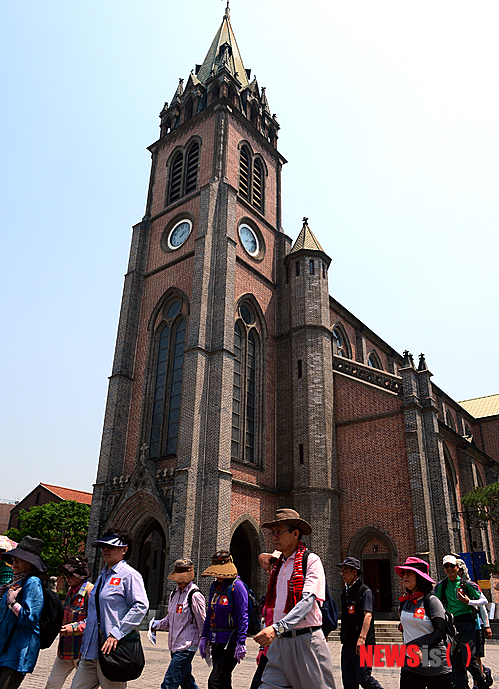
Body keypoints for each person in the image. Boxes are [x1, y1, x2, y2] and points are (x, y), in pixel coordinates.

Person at [254, 508, 336, 689]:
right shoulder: (279, 565)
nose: (274, 536)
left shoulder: (311, 561)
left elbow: (307, 602)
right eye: (272, 532)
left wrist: (277, 628)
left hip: (305, 642)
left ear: (295, 534)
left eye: (279, 531)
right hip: (280, 644)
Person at [70, 529, 149, 689]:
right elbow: (97, 613)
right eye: (103, 546)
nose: (106, 550)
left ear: (124, 550)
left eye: (111, 547)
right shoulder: (102, 577)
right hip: (91, 651)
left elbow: (141, 605)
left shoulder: (129, 575)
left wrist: (116, 634)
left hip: (112, 650)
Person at [396, 556, 453, 689]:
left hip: (434, 662)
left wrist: (422, 650)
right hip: (410, 663)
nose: (405, 576)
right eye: (404, 572)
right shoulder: (404, 602)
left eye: (410, 573)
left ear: (420, 577)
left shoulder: (431, 601)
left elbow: (440, 631)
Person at [434, 554, 488, 689]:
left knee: (468, 659)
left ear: (458, 567)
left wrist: (469, 602)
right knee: (455, 661)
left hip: (466, 624)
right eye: (446, 566)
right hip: (451, 625)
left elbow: (484, 601)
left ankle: (482, 683)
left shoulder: (467, 584)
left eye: (452, 566)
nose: (449, 568)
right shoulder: (442, 585)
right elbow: (436, 603)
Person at [0, 535, 48, 689]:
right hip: (4, 648)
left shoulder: (33, 582)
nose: (15, 562)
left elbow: (30, 617)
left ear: (30, 563)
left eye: (20, 559)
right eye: (14, 558)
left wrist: (13, 603)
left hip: (17, 652)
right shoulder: (14, 583)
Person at [151, 557, 206, 689]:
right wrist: (157, 624)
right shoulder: (174, 594)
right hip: (174, 644)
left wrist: (205, 641)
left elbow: (202, 621)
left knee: (169, 683)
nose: (179, 582)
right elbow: (170, 619)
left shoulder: (195, 595)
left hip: (187, 646)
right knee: (187, 683)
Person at [198, 550, 248, 689]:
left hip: (230, 642)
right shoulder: (214, 586)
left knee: (215, 681)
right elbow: (210, 613)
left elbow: (243, 615)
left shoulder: (237, 587)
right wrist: (204, 636)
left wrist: (241, 641)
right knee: (224, 681)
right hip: (216, 640)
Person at [44, 556, 94, 689]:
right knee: (52, 684)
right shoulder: (70, 592)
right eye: (66, 574)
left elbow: (94, 620)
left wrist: (74, 628)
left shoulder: (90, 592)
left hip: (82, 652)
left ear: (81, 575)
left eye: (71, 574)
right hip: (65, 649)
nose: (67, 577)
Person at [337, 557, 383, 689]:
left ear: (355, 572)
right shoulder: (345, 593)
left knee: (364, 678)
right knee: (348, 681)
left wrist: (362, 638)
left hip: (362, 645)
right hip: (347, 644)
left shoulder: (365, 591)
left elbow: (367, 615)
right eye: (342, 571)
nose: (343, 574)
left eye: (345, 570)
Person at [249, 551, 280, 689]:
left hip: (282, 652)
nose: (272, 569)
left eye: (276, 565)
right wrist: (262, 649)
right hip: (268, 650)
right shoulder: (271, 591)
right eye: (272, 565)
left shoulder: (289, 590)